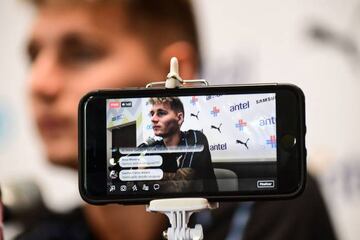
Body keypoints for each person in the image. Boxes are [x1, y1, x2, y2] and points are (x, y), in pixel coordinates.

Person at [16, 0, 337, 239]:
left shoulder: (268, 210)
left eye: (81, 53)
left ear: (176, 72)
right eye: (34, 57)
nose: (39, 83)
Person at [143, 97, 218, 192]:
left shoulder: (195, 138)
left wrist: (148, 175)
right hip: (162, 206)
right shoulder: (154, 147)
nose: (153, 119)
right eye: (152, 114)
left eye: (161, 113)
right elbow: (137, 184)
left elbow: (182, 186)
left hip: (201, 205)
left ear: (179, 118)